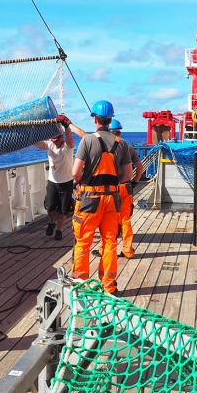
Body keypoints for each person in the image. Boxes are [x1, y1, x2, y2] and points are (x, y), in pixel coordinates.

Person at [71, 100, 132, 295]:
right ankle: (109, 286)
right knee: (110, 242)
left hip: (90, 199)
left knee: (84, 242)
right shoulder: (121, 144)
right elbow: (128, 175)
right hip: (112, 199)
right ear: (110, 119)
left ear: (95, 119)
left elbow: (75, 172)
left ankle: (80, 285)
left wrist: (82, 181)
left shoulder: (87, 141)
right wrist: (113, 183)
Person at [34, 115, 76, 241]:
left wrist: (67, 125)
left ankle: (59, 230)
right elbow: (39, 144)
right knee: (50, 206)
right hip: (53, 181)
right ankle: (51, 223)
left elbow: (69, 137)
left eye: (57, 140)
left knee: (64, 209)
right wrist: (33, 131)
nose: (55, 142)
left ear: (61, 138)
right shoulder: (49, 144)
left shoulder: (67, 147)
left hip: (66, 182)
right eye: (53, 140)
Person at [109, 119, 144, 259]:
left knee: (108, 220)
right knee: (125, 220)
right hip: (126, 188)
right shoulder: (127, 147)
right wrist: (135, 182)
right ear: (119, 132)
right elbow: (139, 167)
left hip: (110, 189)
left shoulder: (103, 147)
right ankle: (128, 250)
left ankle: (106, 250)